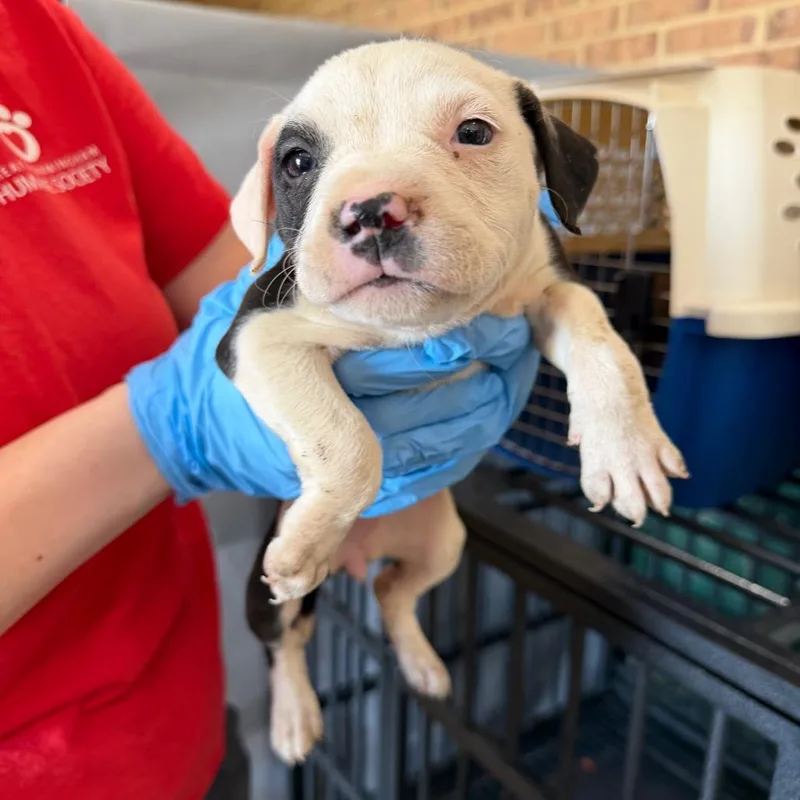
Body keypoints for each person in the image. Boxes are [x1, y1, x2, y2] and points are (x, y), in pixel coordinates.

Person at [0, 1, 541, 798]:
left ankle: (385, 617)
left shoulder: (32, 23)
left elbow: (240, 267)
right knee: (286, 593)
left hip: (174, 710)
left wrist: (384, 397)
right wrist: (169, 429)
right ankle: (291, 659)